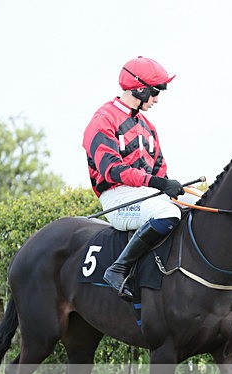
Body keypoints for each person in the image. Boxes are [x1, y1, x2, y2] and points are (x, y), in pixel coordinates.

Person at [82, 56, 184, 298]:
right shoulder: (103, 119)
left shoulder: (148, 127)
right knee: (169, 213)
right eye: (156, 91)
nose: (157, 99)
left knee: (191, 210)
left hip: (146, 195)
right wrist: (156, 183)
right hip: (117, 198)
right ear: (139, 88)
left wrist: (167, 185)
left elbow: (159, 170)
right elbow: (112, 169)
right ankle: (118, 269)